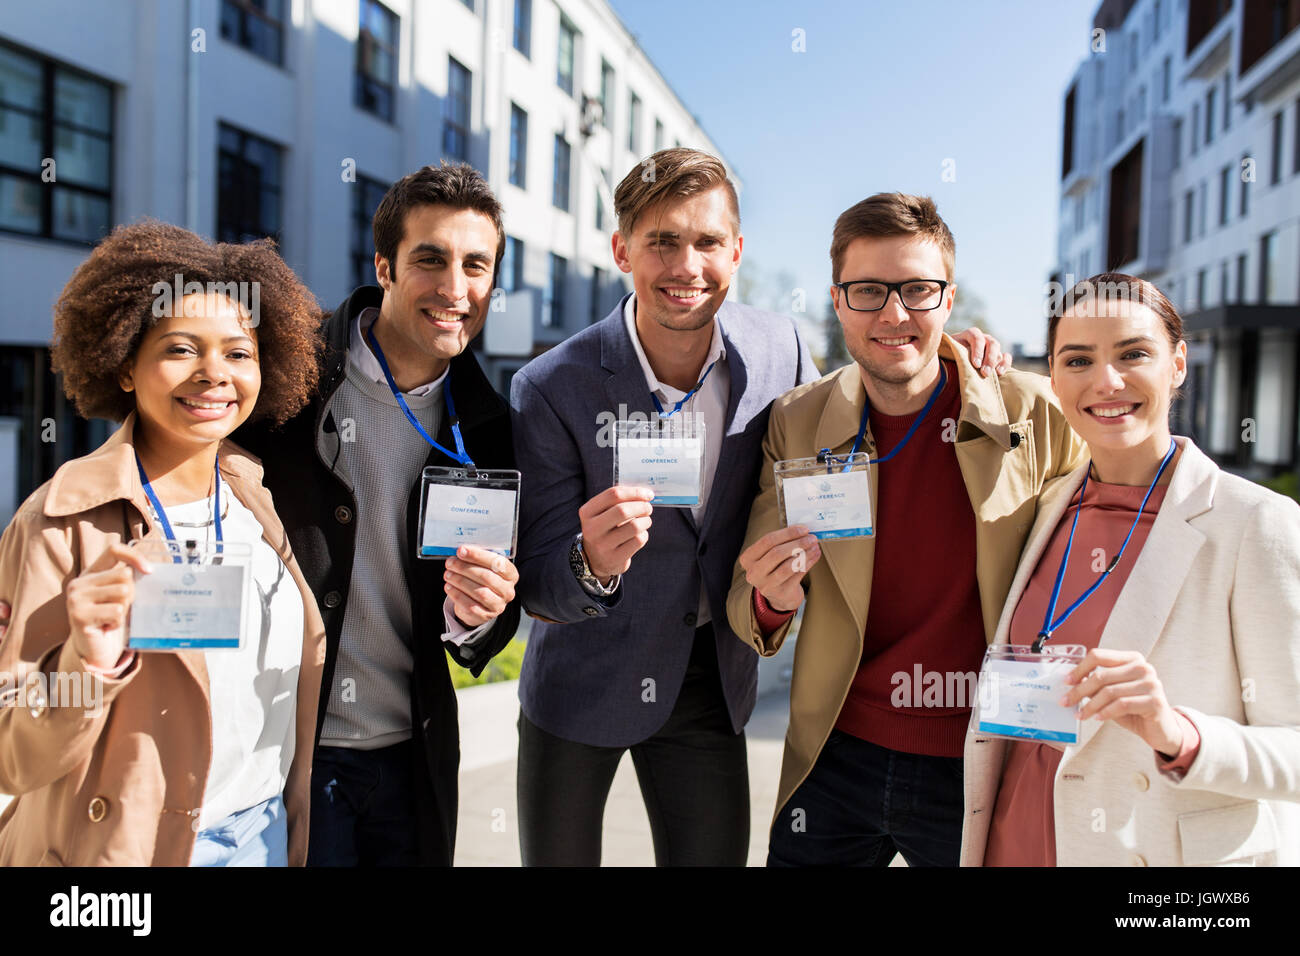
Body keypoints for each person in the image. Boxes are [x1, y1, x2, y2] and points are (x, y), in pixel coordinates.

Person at [511, 152, 1010, 866]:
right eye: (662, 242)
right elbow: (536, 579)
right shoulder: (551, 385)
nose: (688, 265)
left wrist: (950, 357)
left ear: (736, 252)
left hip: (713, 681)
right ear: (622, 250)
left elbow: (841, 420)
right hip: (582, 685)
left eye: (708, 242)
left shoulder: (781, 348)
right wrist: (588, 563)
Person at [728, 192, 1087, 867]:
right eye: (868, 291)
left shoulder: (1036, 413)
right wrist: (772, 596)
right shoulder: (797, 419)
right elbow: (751, 607)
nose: (894, 314)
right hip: (837, 754)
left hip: (982, 757)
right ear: (838, 302)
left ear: (949, 300)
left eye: (917, 289)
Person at [0, 220, 326, 865]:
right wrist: (86, 666)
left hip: (260, 835)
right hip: (130, 852)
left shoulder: (254, 497)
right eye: (181, 349)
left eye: (238, 353)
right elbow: (12, 753)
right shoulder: (60, 520)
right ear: (125, 366)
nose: (214, 374)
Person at [233, 162, 521, 867]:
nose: (455, 288)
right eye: (431, 259)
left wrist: (482, 612)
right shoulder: (284, 380)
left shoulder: (491, 426)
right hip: (287, 752)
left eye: (475, 265)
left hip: (413, 758)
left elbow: (496, 613)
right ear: (384, 268)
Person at [961, 274, 1300, 866]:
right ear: (1055, 378)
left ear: (1178, 365)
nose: (1106, 382)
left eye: (1133, 354)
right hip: (1013, 845)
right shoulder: (1044, 510)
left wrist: (1178, 733)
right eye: (1078, 360)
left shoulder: (1255, 523)